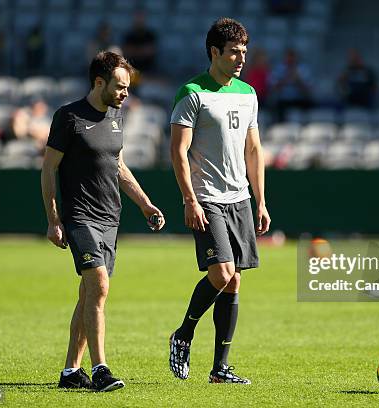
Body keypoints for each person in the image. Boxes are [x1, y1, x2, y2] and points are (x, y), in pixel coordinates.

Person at [41, 51, 165, 392]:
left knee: (88, 295)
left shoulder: (116, 117)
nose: (126, 93)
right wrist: (54, 219)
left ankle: (70, 372)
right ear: (100, 82)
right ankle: (101, 370)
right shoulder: (68, 117)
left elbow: (119, 167)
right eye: (121, 86)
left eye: (127, 87)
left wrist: (145, 204)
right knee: (99, 285)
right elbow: (49, 169)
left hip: (111, 218)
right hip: (79, 217)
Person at [169, 18, 271, 384]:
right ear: (215, 52)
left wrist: (260, 201)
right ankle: (183, 334)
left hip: (240, 197)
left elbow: (254, 149)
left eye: (244, 51)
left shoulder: (248, 94)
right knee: (222, 273)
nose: (241, 58)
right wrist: (189, 199)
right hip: (207, 198)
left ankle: (220, 369)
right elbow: (178, 151)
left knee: (234, 283)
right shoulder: (192, 92)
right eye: (234, 52)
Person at [270, 48, 312, 121]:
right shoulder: (279, 69)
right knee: (275, 107)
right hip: (283, 99)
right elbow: (273, 88)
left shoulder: (303, 69)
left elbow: (308, 90)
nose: (291, 60)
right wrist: (286, 78)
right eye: (289, 57)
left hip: (299, 99)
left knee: (309, 105)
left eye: (292, 57)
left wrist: (297, 80)